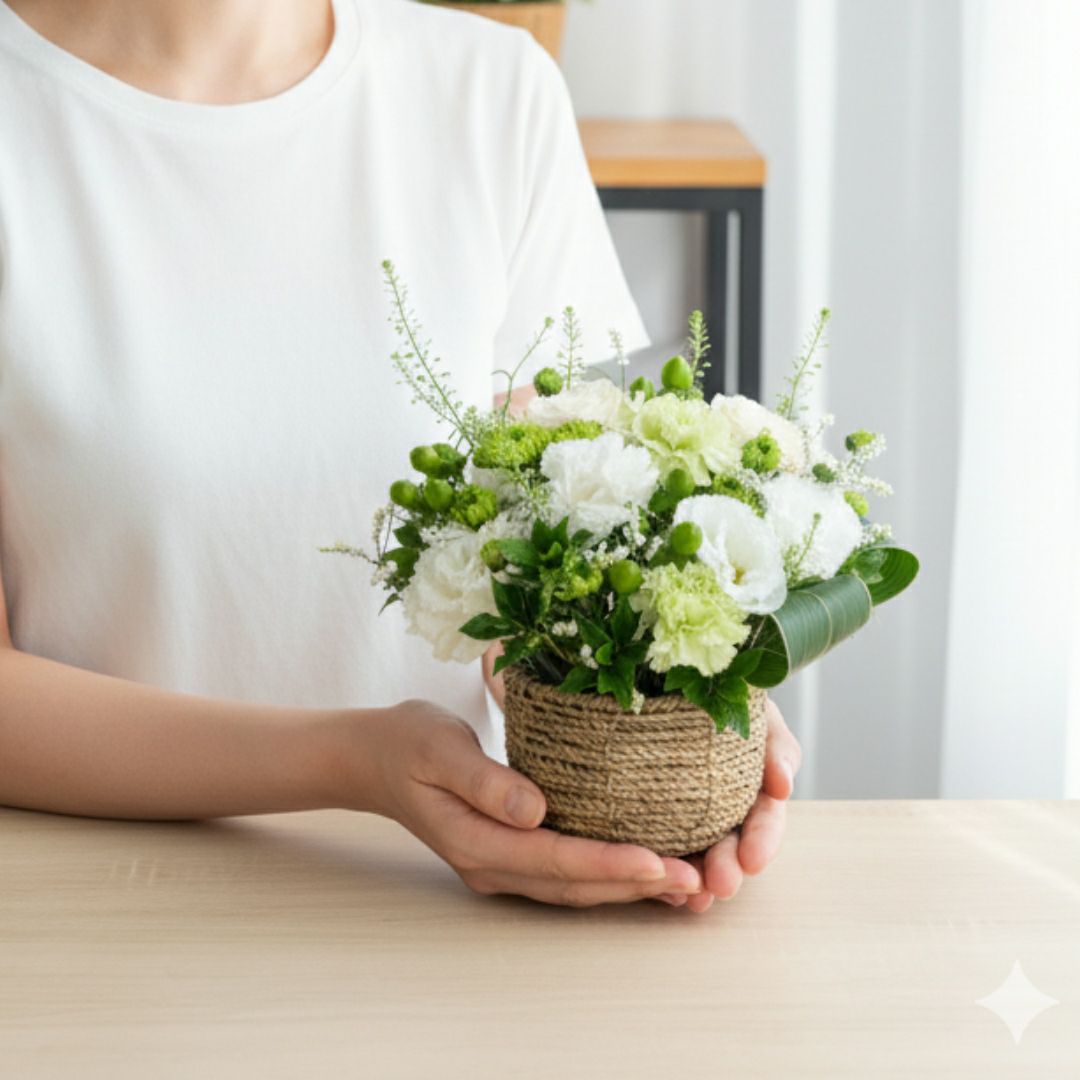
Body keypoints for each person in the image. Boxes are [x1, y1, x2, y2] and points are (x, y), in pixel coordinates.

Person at [0, 0, 801, 913]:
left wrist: (663, 715)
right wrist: (356, 763)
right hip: (93, 911)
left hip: (441, 905)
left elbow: (527, 573)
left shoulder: (490, 92)